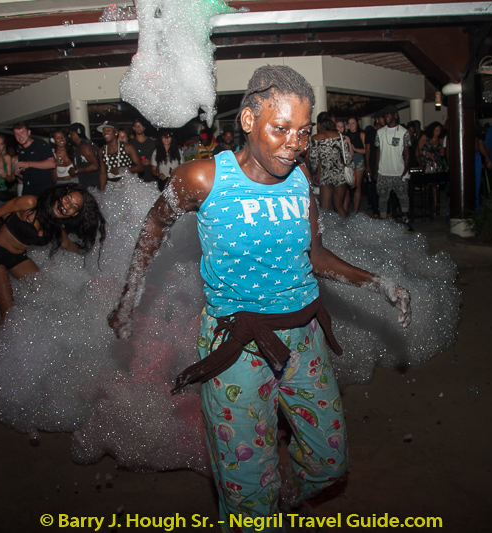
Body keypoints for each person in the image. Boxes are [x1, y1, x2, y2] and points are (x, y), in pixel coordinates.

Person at [108, 65, 411, 530]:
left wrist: (379, 282)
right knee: (247, 486)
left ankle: (285, 495)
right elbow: (153, 226)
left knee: (329, 462)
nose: (295, 143)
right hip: (237, 347)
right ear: (249, 120)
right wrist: (130, 298)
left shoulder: (300, 178)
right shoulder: (202, 178)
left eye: (303, 131)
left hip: (304, 338)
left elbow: (315, 255)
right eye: (281, 128)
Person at [0, 183, 106, 329]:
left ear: (74, 214)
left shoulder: (56, 225)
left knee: (46, 294)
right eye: (68, 198)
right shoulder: (30, 203)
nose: (67, 205)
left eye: (73, 206)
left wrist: (89, 256)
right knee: (8, 313)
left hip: (17, 258)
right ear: (61, 194)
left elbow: (66, 244)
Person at [308, 111, 350, 218]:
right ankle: (348, 227)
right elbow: (347, 157)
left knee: (325, 209)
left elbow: (313, 160)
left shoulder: (316, 138)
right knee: (339, 207)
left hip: (325, 175)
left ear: (319, 123)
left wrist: (314, 172)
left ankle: (328, 229)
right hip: (339, 174)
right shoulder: (339, 136)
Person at [374, 105, 411, 221]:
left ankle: (406, 221)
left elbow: (407, 153)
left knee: (403, 198)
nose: (387, 117)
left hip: (398, 172)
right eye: (385, 115)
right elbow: (378, 151)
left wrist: (405, 169)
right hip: (383, 172)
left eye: (389, 114)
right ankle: (383, 222)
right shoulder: (379, 132)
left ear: (395, 115)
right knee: (382, 200)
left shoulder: (404, 132)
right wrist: (376, 170)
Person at [12, 122, 55, 197]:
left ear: (29, 132)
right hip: (28, 191)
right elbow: (27, 175)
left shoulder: (40, 144)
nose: (20, 136)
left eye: (22, 132)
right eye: (17, 134)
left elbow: (52, 164)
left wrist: (29, 164)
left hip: (43, 191)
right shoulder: (21, 152)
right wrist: (18, 174)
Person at [97, 121, 144, 188]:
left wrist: (121, 170)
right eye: (104, 131)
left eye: (108, 130)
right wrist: (102, 192)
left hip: (127, 184)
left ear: (116, 133)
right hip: (111, 186)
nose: (106, 132)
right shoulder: (101, 150)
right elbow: (102, 174)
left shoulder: (127, 147)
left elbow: (140, 167)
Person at [416, 121, 446, 216]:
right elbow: (419, 150)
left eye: (439, 131)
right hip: (427, 163)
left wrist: (442, 152)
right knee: (428, 184)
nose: (438, 133)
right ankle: (427, 204)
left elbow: (442, 151)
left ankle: (435, 206)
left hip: (437, 163)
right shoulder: (425, 137)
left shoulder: (440, 139)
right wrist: (427, 153)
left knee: (435, 186)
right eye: (436, 130)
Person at [67, 123, 101, 188]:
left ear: (73, 133)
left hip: (92, 186)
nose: (70, 137)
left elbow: (95, 166)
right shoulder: (85, 145)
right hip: (89, 185)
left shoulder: (84, 146)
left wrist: (76, 170)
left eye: (69, 135)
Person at [345, 116, 367, 213]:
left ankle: (355, 210)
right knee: (347, 187)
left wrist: (355, 149)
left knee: (357, 186)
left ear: (357, 123)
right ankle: (345, 210)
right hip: (347, 160)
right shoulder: (346, 135)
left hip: (358, 159)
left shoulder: (361, 134)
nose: (351, 125)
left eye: (353, 123)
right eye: (349, 123)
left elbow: (366, 150)